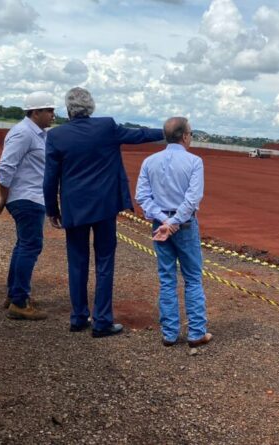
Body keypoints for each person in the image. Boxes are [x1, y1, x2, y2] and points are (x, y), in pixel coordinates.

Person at [43, 87, 164, 337]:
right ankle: (102, 321)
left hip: (74, 208)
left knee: (77, 263)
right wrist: (168, 132)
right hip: (105, 207)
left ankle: (78, 317)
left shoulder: (56, 136)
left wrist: (52, 209)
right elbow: (139, 135)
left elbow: (50, 178)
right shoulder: (106, 127)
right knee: (104, 262)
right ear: (92, 107)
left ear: (68, 109)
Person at [135, 117, 211, 348]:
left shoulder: (149, 161)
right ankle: (196, 332)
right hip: (184, 225)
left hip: (160, 226)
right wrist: (175, 222)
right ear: (185, 136)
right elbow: (192, 198)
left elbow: (142, 197)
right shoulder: (194, 161)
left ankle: (169, 333)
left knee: (167, 279)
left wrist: (164, 221)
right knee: (192, 278)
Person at [0, 91, 56, 320]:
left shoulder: (39, 134)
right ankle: (19, 301)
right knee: (30, 246)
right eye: (48, 110)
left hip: (30, 197)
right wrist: (3, 197)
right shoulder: (23, 133)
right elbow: (5, 168)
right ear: (35, 111)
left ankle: (14, 294)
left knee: (24, 246)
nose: (52, 114)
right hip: (26, 198)